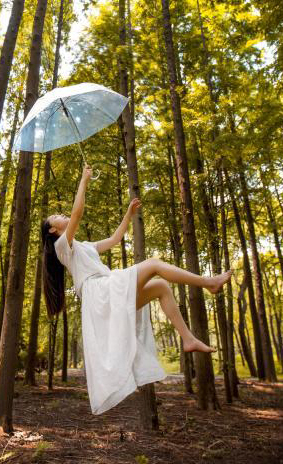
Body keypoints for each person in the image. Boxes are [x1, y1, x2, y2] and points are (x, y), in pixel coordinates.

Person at [40, 163, 233, 415]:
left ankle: (188, 339)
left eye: (60, 213)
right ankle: (209, 282)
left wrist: (128, 215)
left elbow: (114, 240)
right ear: (54, 230)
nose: (62, 214)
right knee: (153, 264)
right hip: (99, 293)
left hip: (108, 293)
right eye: (56, 217)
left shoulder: (83, 245)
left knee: (161, 286)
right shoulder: (61, 247)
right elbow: (77, 213)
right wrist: (84, 179)